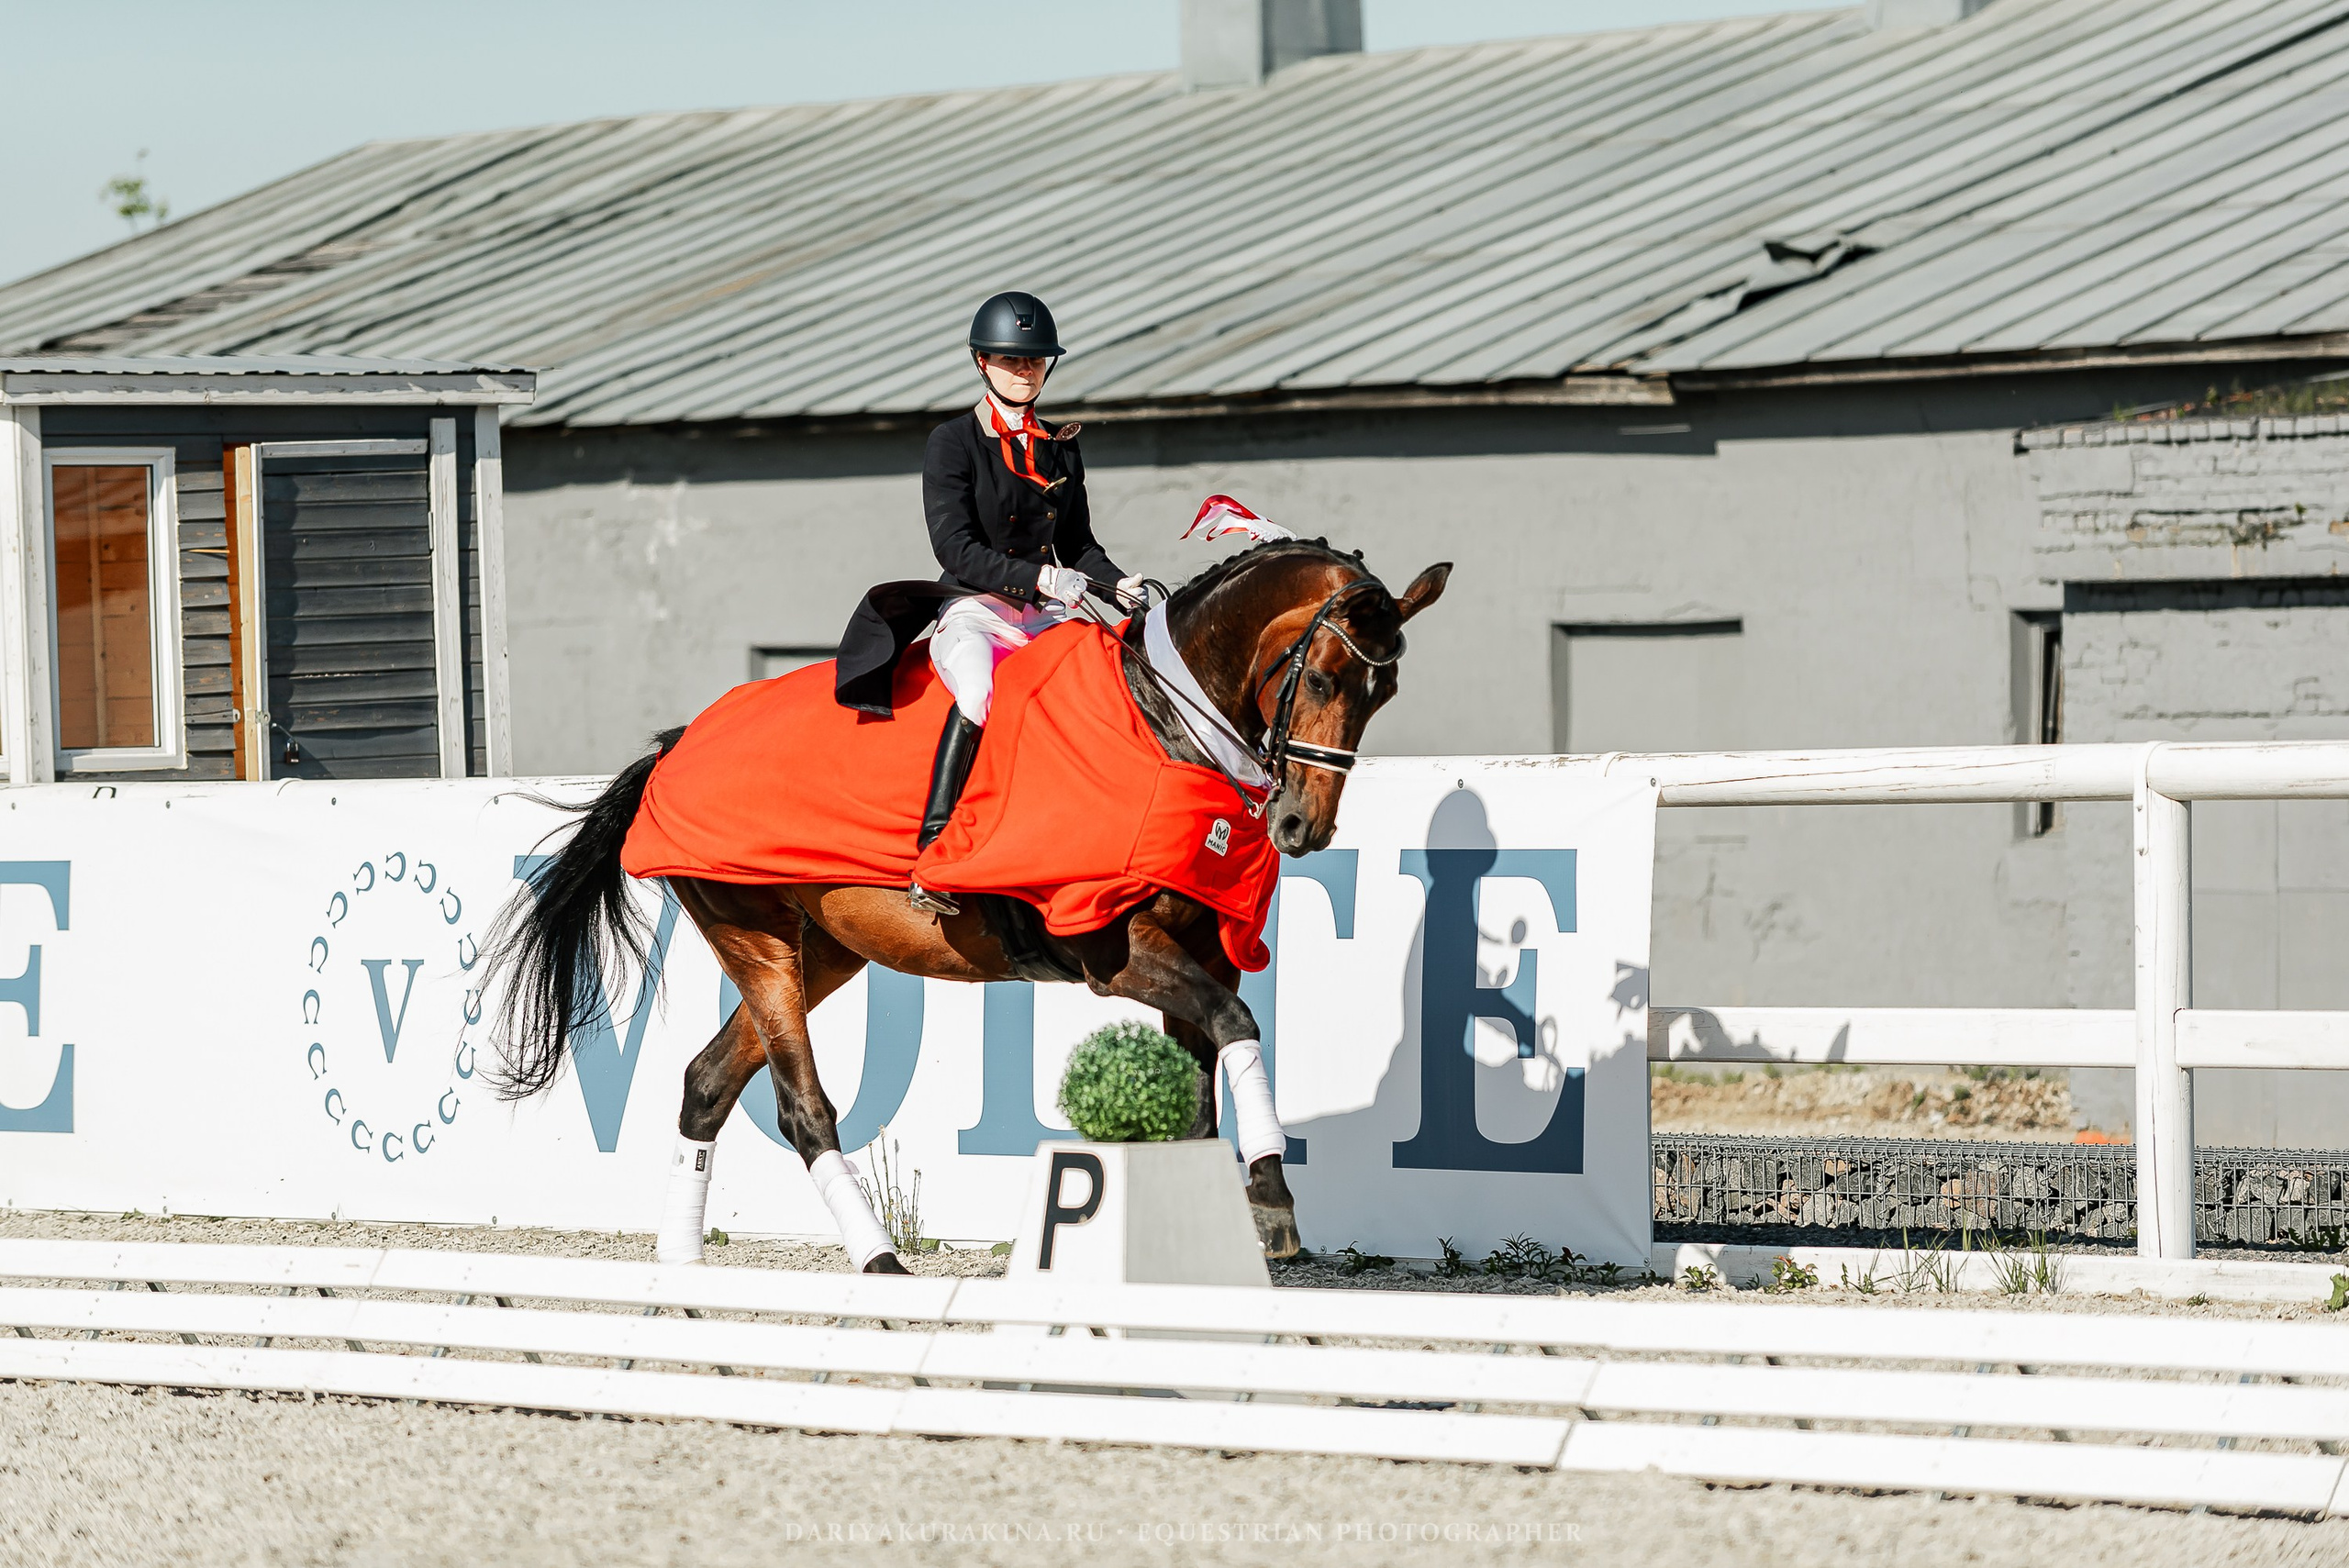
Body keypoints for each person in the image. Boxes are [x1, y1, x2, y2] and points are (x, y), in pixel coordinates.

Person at [906, 291, 1144, 914]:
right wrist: (1040, 580)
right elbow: (955, 546)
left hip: (1045, 615)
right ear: (982, 362)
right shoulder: (953, 442)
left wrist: (1116, 586)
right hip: (976, 608)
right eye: (1012, 361)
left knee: (1112, 687)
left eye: (1035, 362)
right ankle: (934, 853)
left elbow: (1078, 545)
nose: (1025, 372)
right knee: (981, 693)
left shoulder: (1061, 447)